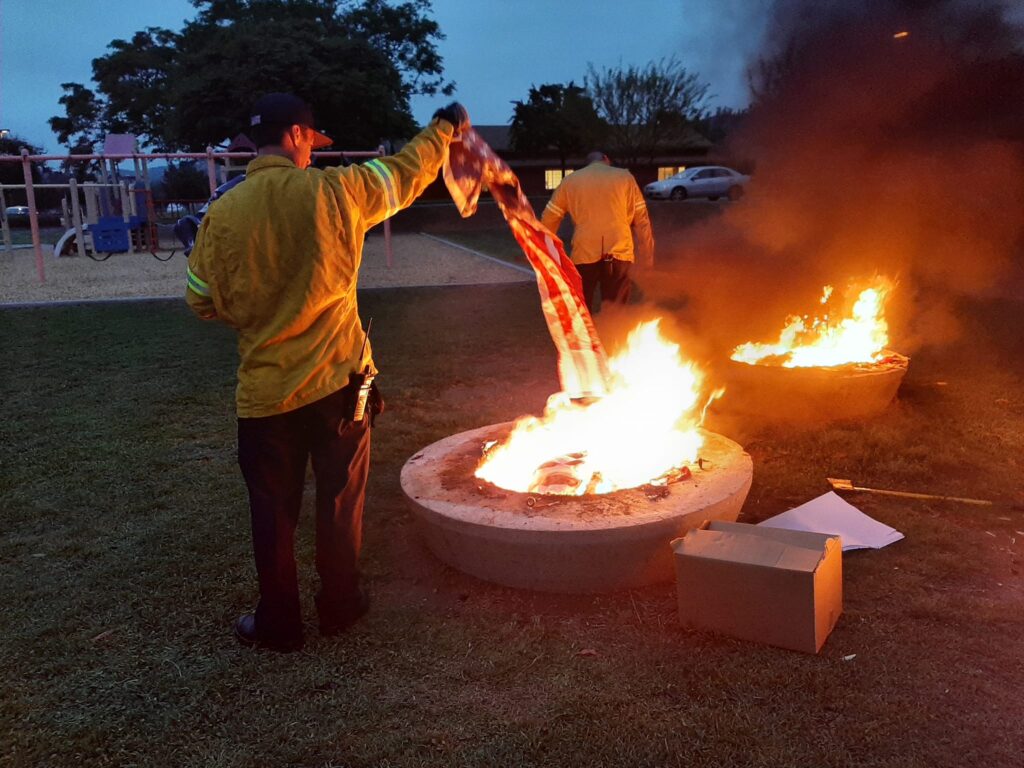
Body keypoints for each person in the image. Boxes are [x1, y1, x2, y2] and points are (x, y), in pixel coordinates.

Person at [185, 92, 469, 652]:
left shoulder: (223, 211)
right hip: (340, 388)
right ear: (295, 135)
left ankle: (278, 624)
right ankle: (340, 605)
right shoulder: (338, 192)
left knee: (272, 514)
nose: (313, 153)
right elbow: (407, 173)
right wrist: (443, 129)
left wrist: (255, 311)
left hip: (265, 395)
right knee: (340, 500)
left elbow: (200, 299)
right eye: (312, 142)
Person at [540, 151, 654, 312]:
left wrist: (546, 253)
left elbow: (549, 219)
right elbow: (642, 220)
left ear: (587, 164)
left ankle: (585, 337)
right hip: (619, 250)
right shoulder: (625, 177)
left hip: (584, 251)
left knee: (581, 308)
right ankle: (614, 335)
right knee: (616, 309)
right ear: (606, 159)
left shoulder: (570, 181)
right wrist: (647, 256)